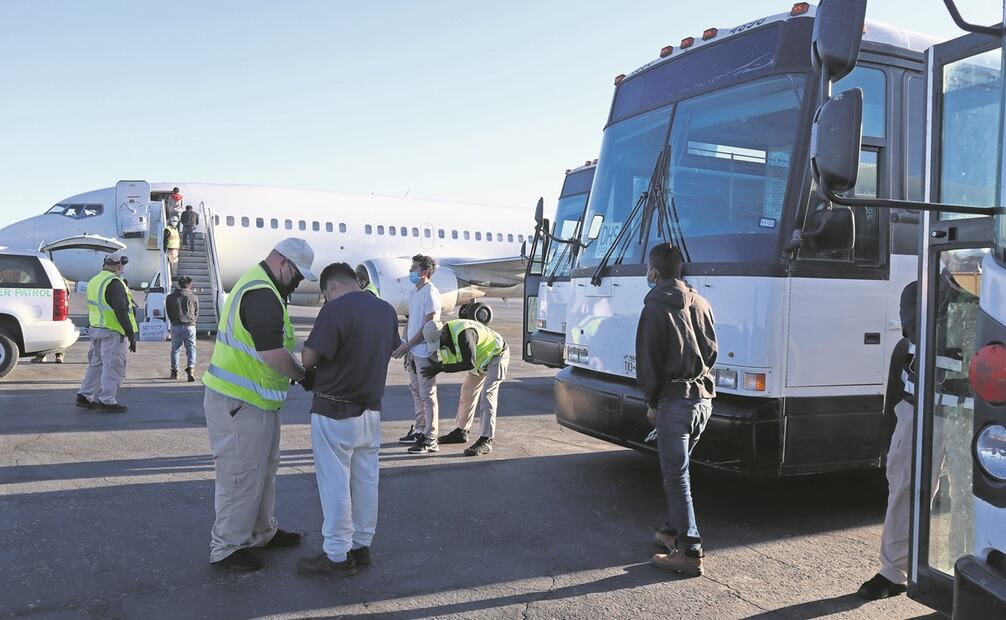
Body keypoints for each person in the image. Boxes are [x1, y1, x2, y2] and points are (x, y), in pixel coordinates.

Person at [857, 254, 981, 599]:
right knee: (906, 490)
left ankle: (965, 573)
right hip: (919, 410)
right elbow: (930, 333)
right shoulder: (920, 293)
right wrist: (962, 294)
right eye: (963, 262)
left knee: (968, 498)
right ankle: (893, 571)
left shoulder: (993, 295)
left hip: (970, 415)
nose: (970, 267)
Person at [201, 237, 318, 572]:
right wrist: (304, 376)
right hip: (239, 403)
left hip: (257, 402)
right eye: (297, 275)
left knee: (262, 472)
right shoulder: (262, 292)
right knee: (240, 476)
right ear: (283, 263)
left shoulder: (263, 285)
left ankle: (261, 532)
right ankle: (227, 547)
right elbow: (272, 353)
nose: (297, 283)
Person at [296, 263, 399, 576]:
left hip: (334, 411)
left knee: (335, 485)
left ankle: (337, 555)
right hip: (371, 411)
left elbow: (309, 358)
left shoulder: (335, 310)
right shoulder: (386, 310)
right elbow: (393, 348)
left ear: (330, 287)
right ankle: (361, 546)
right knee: (366, 481)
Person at [635, 243, 717, 577]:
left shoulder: (654, 307)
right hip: (703, 402)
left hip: (674, 403)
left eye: (648, 270)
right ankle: (671, 530)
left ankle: (690, 550)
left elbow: (648, 364)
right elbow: (712, 351)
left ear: (654, 272)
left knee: (676, 478)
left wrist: (652, 403)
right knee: (680, 471)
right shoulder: (701, 301)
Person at [420, 318, 509, 456]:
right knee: (467, 391)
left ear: (443, 333)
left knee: (488, 394)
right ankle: (462, 431)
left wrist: (440, 368)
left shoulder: (464, 334)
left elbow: (469, 363)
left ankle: (486, 440)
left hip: (497, 354)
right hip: (481, 360)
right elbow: (444, 360)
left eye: (438, 343)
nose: (439, 346)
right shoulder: (444, 338)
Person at [76, 252, 138, 413]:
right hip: (113, 331)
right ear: (119, 266)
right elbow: (121, 310)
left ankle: (85, 395)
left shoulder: (95, 281)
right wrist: (130, 334)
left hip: (97, 329)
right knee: (113, 366)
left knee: (96, 365)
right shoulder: (115, 283)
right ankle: (107, 401)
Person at [391, 254, 441, 453]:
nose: (411, 272)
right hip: (412, 351)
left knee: (428, 395)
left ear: (425, 272)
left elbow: (429, 326)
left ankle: (431, 438)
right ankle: (420, 429)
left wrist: (408, 345)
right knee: (416, 391)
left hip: (424, 352)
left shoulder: (431, 293)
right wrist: (404, 344)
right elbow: (411, 321)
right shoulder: (415, 293)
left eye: (414, 269)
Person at [166, 275, 199, 381]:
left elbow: (169, 312)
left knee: (175, 350)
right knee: (191, 349)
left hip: (176, 325)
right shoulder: (193, 297)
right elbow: (196, 312)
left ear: (178, 284)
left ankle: (175, 372)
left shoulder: (170, 297)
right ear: (190, 285)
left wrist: (173, 322)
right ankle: (191, 369)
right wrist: (193, 321)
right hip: (190, 326)